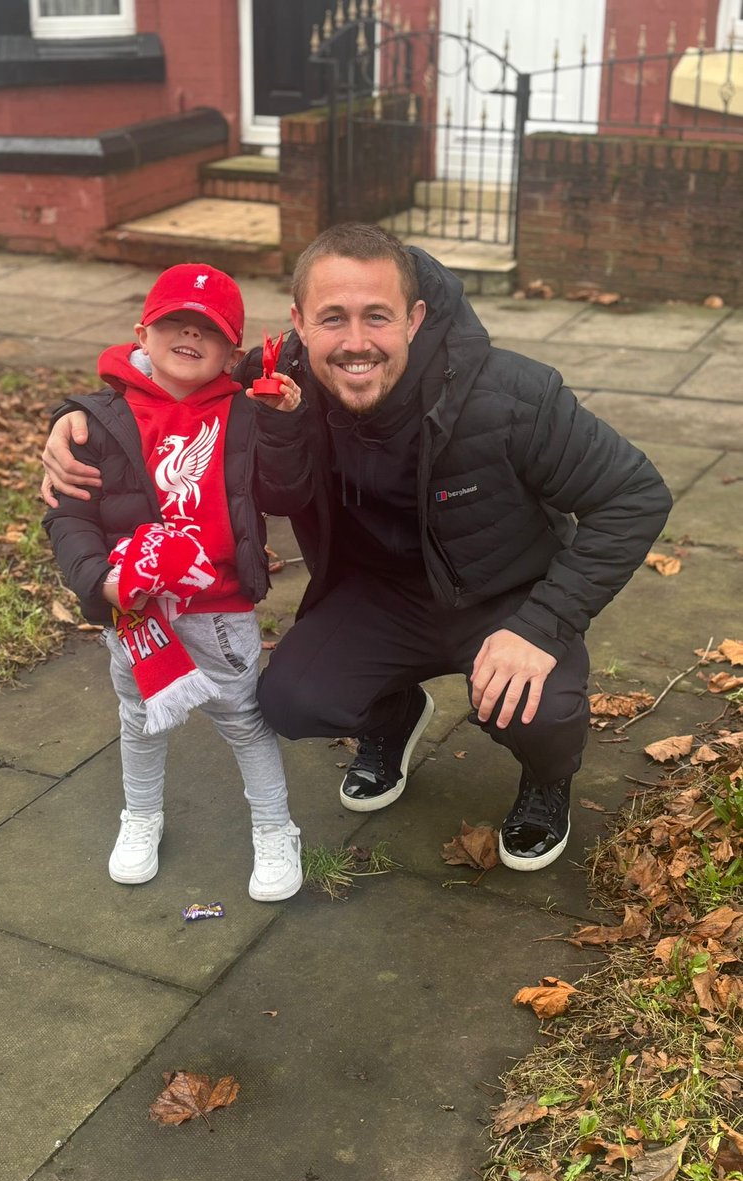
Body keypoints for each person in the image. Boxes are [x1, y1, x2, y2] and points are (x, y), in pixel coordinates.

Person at [43, 224, 672, 873]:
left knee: (537, 711)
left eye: (377, 317)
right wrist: (74, 421)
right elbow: (172, 373)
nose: (355, 342)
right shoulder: (279, 375)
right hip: (378, 597)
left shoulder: (510, 396)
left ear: (415, 317)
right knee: (290, 698)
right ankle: (395, 715)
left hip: (503, 600)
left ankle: (547, 779)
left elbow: (635, 495)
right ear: (299, 323)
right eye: (332, 318)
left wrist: (541, 628)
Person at [42, 262, 304, 901]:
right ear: (142, 332)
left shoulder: (245, 415)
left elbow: (287, 489)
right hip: (134, 611)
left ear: (232, 353)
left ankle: (275, 827)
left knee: (242, 717)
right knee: (140, 718)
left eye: (206, 330)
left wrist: (282, 423)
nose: (188, 336)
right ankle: (141, 816)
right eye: (173, 324)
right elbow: (70, 515)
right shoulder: (97, 421)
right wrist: (98, 583)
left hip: (220, 606)